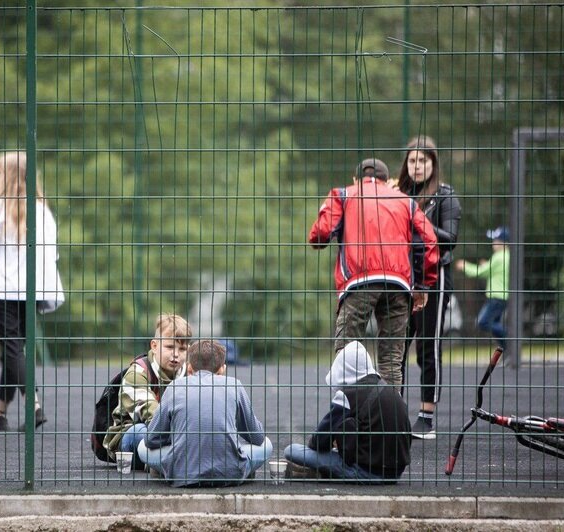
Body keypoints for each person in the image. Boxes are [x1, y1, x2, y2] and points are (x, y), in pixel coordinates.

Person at [308, 158, 439, 388]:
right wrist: (424, 285)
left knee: (346, 355)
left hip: (360, 281)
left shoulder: (343, 195)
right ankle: (392, 420)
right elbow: (430, 240)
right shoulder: (405, 201)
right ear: (386, 180)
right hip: (398, 284)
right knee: (391, 360)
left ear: (356, 179)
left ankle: (349, 416)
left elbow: (320, 235)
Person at [0, 152, 65, 431]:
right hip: (33, 288)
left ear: (7, 175)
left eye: (0, 172)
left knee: (12, 348)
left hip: (2, 290)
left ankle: (33, 404)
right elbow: (53, 253)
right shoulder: (41, 210)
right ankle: (0, 413)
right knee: (14, 350)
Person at [396, 136, 462, 440]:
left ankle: (426, 416)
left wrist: (417, 216)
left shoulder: (446, 196)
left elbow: (450, 237)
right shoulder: (396, 194)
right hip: (401, 278)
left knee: (427, 345)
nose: (417, 166)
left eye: (423, 161)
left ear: (433, 164)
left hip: (435, 279)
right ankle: (393, 412)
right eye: (412, 161)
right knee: (395, 346)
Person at [137, 340, 272, 487]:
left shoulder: (174, 387)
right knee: (267, 445)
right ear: (222, 369)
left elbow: (151, 439)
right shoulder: (234, 385)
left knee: (142, 448)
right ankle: (242, 469)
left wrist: (178, 439)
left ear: (189, 369)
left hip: (182, 471)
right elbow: (257, 437)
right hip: (230, 471)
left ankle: (167, 468)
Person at [284, 341, 411, 484]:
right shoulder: (392, 391)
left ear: (343, 368)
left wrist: (335, 440)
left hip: (364, 472)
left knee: (291, 450)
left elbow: (318, 442)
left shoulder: (348, 396)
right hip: (395, 473)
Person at [103, 314, 192, 469]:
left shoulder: (190, 373)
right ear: (154, 346)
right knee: (140, 431)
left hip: (175, 433)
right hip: (134, 432)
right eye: (170, 347)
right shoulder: (137, 372)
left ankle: (166, 461)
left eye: (182, 349)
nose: (176, 354)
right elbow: (152, 415)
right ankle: (176, 460)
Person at [455, 226, 510, 350]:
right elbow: (492, 271)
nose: (493, 243)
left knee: (483, 322)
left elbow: (479, 272)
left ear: (504, 243)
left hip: (497, 296)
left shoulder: (499, 257)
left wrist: (464, 266)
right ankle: (506, 350)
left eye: (496, 241)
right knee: (495, 324)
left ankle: (510, 339)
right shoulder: (506, 257)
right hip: (502, 296)